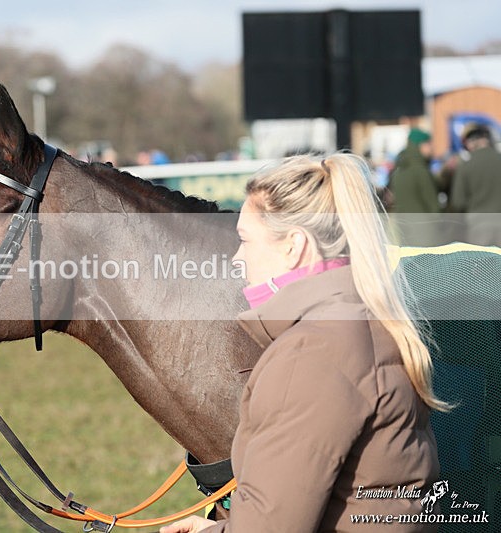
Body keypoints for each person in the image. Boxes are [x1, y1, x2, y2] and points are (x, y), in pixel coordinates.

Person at [161, 153, 443, 533]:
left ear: (294, 245)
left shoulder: (312, 354)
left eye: (245, 240)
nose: (236, 257)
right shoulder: (361, 320)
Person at [387, 128, 442, 245]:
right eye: (428, 144)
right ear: (418, 146)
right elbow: (434, 207)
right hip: (425, 233)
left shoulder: (399, 170)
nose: (431, 148)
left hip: (404, 231)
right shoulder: (421, 171)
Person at [449, 123, 501, 246]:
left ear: (470, 144)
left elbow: (458, 202)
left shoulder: (465, 167)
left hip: (478, 224)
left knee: (481, 263)